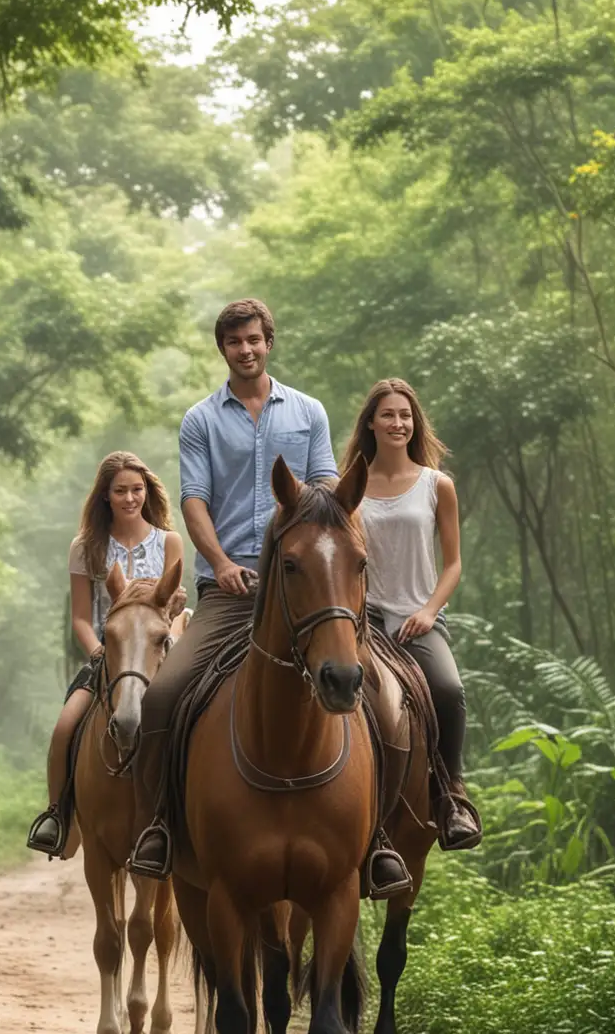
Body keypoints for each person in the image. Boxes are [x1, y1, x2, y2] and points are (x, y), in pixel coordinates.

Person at [126, 298, 414, 897]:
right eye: (235, 343)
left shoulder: (308, 412)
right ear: (223, 350)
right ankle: (160, 829)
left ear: (269, 342)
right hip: (230, 595)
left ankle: (379, 839)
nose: (247, 349)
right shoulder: (200, 420)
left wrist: (331, 544)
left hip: (308, 590)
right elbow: (194, 500)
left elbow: (329, 490)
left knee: (386, 703)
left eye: (255, 339)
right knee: (164, 698)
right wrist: (224, 563)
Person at [342, 379, 481, 849]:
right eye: (388, 415)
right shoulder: (351, 488)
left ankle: (452, 795)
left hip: (416, 620)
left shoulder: (436, 485)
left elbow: (454, 563)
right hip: (363, 622)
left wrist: (428, 611)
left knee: (448, 688)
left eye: (405, 415)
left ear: (414, 423)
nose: (398, 423)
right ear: (371, 423)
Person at [26, 452, 184, 856]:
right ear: (105, 496)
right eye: (121, 491)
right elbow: (81, 616)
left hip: (155, 657)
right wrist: (98, 650)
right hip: (106, 656)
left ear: (147, 492)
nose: (130, 498)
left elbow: (174, 609)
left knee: (193, 721)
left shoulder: (169, 541)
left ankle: (193, 815)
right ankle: (57, 815)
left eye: (137, 489)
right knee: (65, 727)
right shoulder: (85, 547)